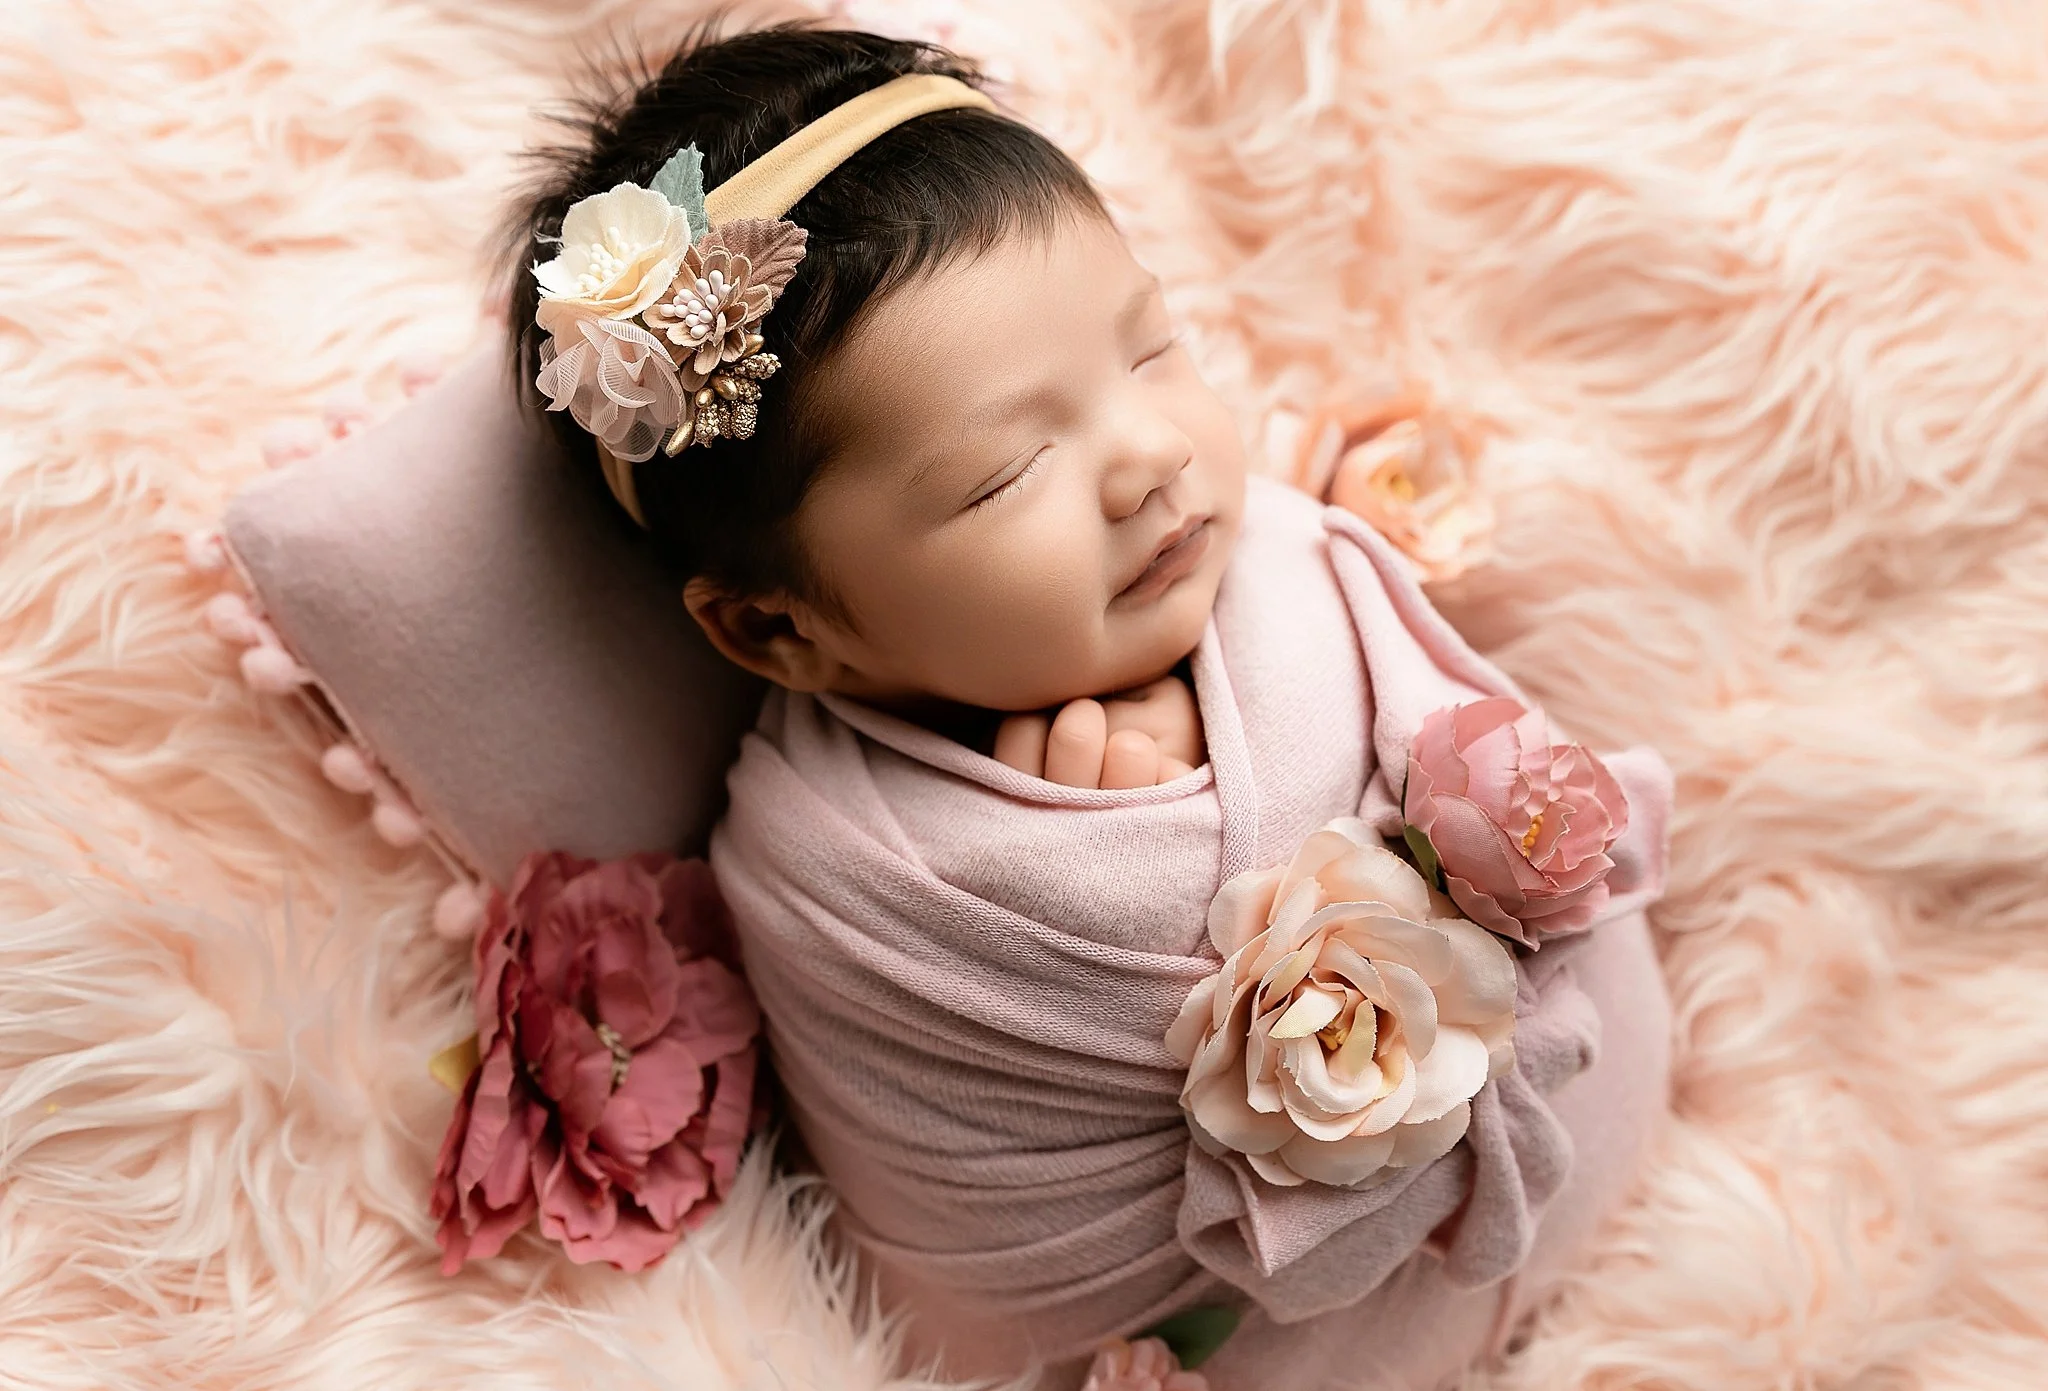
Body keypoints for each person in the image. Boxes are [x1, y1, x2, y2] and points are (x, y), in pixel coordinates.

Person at [504, 23, 1673, 1389]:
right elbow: (971, 1222)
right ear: (781, 628)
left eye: (1150, 350)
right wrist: (1128, 884)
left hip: (1623, 1155)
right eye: (1008, 473)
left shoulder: (1289, 565)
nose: (1149, 457)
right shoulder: (831, 873)